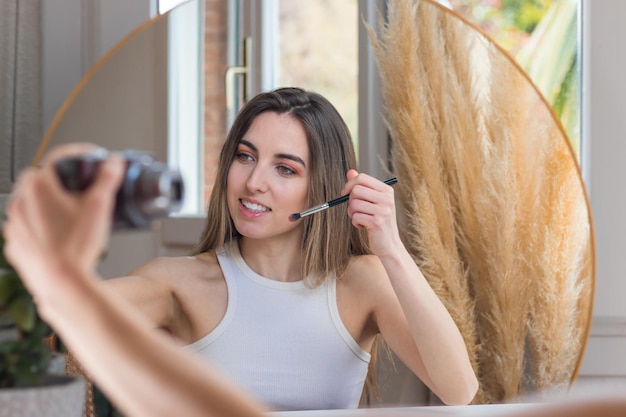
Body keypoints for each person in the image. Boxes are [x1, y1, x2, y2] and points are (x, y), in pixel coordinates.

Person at [4, 87, 478, 413]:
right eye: (245, 156)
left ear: (326, 190)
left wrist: (391, 248)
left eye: (285, 169)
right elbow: (43, 322)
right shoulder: (177, 283)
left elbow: (459, 391)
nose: (253, 182)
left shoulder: (363, 281)